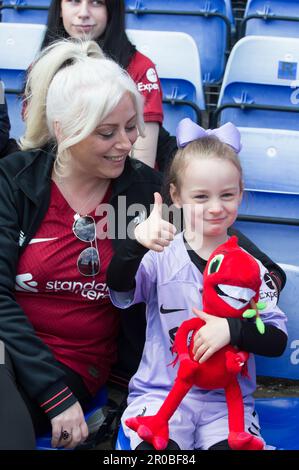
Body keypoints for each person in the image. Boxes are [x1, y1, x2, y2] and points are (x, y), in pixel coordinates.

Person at [0, 38, 163, 450]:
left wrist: (257, 273)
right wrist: (53, 395)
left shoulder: (142, 190)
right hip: (11, 354)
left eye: (131, 127)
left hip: (77, 365)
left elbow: (212, 231)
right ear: (64, 130)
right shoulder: (16, 179)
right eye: (107, 133)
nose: (126, 144)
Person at [107, 119, 288, 450]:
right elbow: (118, 287)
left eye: (228, 195)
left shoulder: (252, 267)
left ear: (241, 193)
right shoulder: (161, 253)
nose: (216, 207)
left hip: (226, 405)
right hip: (162, 394)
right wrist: (135, 243)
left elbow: (276, 340)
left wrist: (232, 330)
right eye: (201, 196)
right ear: (175, 195)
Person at [40, 0, 175, 168]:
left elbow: (141, 164)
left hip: (122, 188)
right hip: (59, 179)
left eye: (96, 2)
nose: (83, 13)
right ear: (59, 8)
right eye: (74, 1)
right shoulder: (40, 68)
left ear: (112, 10)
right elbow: (37, 146)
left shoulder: (141, 68)